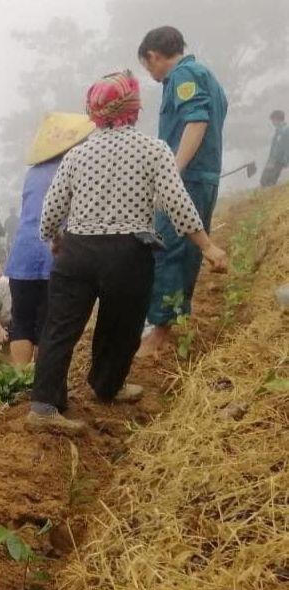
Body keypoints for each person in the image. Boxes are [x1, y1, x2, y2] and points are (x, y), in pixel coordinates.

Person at [29, 71, 227, 435]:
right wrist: (208, 246)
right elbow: (177, 204)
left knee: (60, 327)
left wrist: (54, 239)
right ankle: (107, 385)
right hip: (127, 253)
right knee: (121, 326)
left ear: (95, 112)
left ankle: (44, 404)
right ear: (134, 109)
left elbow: (52, 209)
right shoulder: (153, 149)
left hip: (78, 251)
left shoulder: (77, 155)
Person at [136, 26, 229, 358]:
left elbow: (196, 120)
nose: (152, 73)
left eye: (149, 67)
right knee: (183, 251)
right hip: (201, 176)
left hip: (187, 179)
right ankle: (165, 324)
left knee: (169, 249)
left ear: (153, 56)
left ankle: (157, 333)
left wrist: (173, 171)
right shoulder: (205, 75)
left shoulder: (184, 74)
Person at [6, 113, 96, 366]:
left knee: (21, 319)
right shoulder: (74, 167)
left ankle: (19, 381)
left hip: (22, 256)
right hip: (54, 254)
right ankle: (42, 384)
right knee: (50, 322)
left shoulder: (33, 173)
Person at [261, 110, 288, 188]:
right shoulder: (278, 131)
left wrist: (285, 161)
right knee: (264, 181)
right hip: (272, 160)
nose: (272, 122)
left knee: (269, 182)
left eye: (273, 120)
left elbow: (287, 147)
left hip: (278, 161)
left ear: (278, 119)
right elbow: (273, 148)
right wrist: (270, 160)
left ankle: (267, 198)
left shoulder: (286, 131)